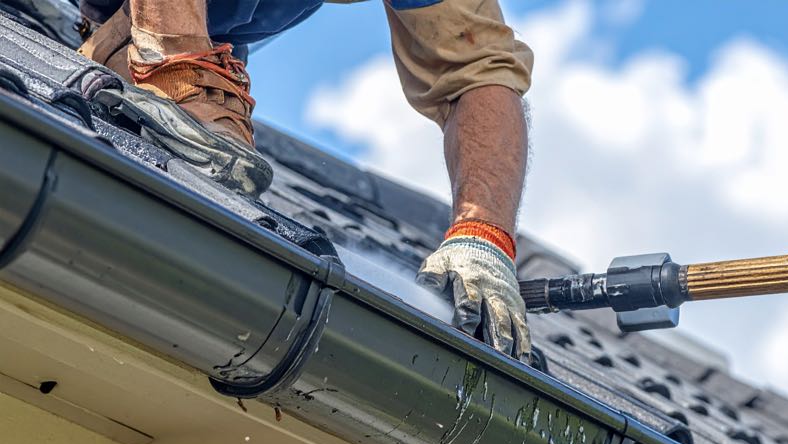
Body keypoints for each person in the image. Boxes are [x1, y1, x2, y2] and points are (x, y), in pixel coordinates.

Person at [79, 0, 535, 363]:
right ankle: (163, 55)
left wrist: (484, 236)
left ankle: (149, 50)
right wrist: (171, 55)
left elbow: (478, 68)